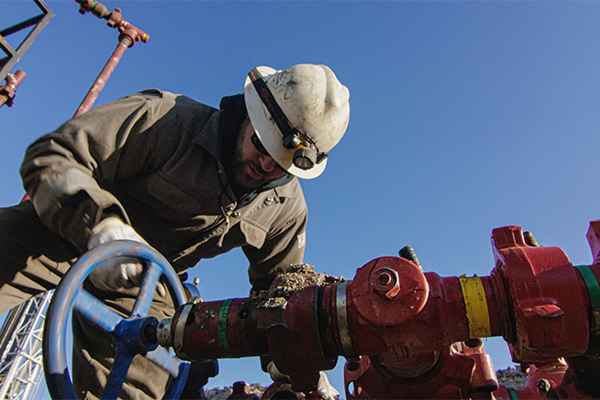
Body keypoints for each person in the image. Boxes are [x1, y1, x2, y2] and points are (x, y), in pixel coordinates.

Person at [0, 63, 349, 399]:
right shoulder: (167, 119)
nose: (267, 165)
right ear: (251, 112)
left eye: (284, 165)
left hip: (146, 284)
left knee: (149, 382)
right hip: (62, 229)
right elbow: (53, 155)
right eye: (262, 144)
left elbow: (276, 295)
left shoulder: (285, 209)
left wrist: (300, 361)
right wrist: (101, 226)